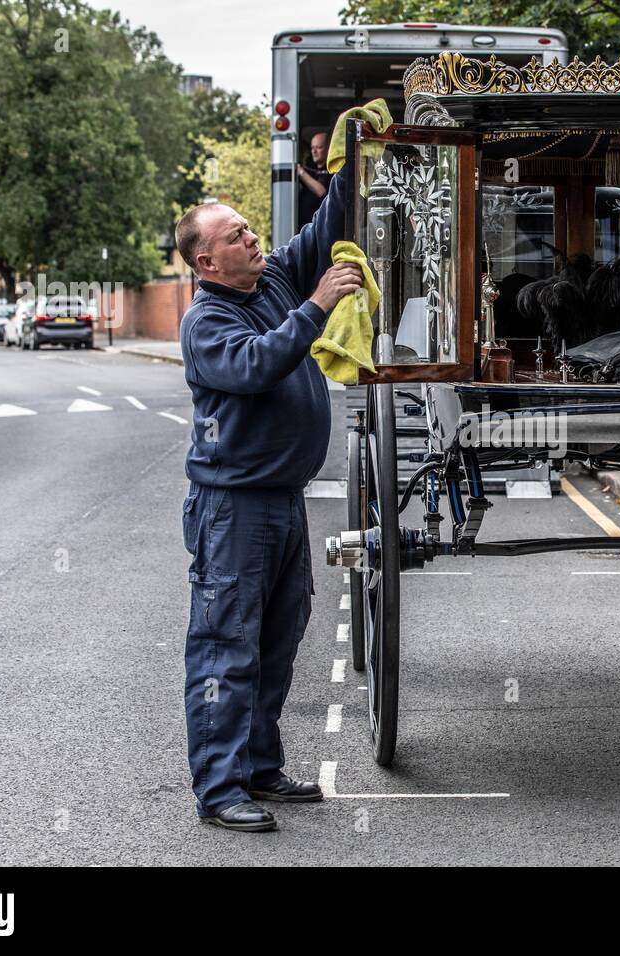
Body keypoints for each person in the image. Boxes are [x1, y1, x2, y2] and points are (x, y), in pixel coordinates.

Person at [173, 161, 363, 832]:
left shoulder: (274, 275)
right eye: (236, 234)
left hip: (282, 500)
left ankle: (258, 766)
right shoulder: (207, 322)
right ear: (207, 259)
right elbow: (257, 365)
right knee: (227, 645)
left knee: (278, 640)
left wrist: (351, 154)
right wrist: (318, 306)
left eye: (250, 227)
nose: (252, 236)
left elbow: (327, 223)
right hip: (233, 509)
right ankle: (220, 789)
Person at [296, 131, 332, 228]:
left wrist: (301, 172)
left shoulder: (333, 170)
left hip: (320, 226)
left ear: (328, 149)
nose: (314, 151)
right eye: (312, 148)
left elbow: (321, 191)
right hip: (303, 226)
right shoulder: (310, 167)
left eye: (319, 147)